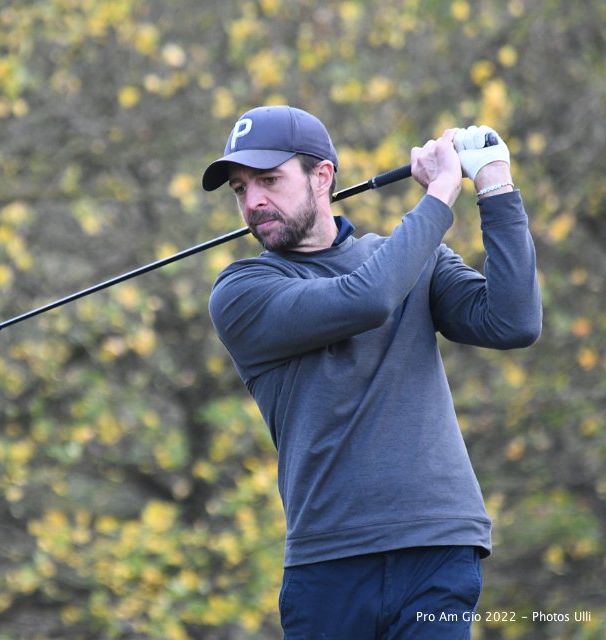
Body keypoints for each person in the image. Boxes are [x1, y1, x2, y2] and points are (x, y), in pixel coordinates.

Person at [201, 105, 542, 639]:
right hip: (329, 562)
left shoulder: (409, 257)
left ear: (322, 176)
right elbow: (366, 299)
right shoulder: (241, 292)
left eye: (268, 180)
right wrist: (440, 193)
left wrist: (495, 185)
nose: (253, 201)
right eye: (240, 189)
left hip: (438, 546)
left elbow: (513, 321)